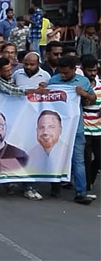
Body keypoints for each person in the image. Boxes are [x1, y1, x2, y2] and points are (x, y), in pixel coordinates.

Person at [48, 56, 97, 205]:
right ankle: (55, 186)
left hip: (76, 128)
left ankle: (81, 192)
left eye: (66, 73)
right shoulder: (53, 81)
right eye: (61, 72)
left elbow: (92, 99)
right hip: (57, 128)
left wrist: (84, 94)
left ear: (74, 70)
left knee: (78, 161)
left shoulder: (83, 82)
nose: (63, 76)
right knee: (56, 158)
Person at [27, 110, 69, 178]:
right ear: (37, 130)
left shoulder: (69, 152)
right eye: (41, 127)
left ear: (60, 130)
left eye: (51, 127)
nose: (45, 132)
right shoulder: (30, 155)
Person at [80, 55, 100, 192]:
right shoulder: (79, 85)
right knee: (86, 159)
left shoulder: (100, 85)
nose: (92, 73)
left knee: (99, 158)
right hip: (84, 128)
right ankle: (86, 185)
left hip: (98, 128)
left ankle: (91, 178)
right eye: (89, 70)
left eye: (95, 70)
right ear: (83, 69)